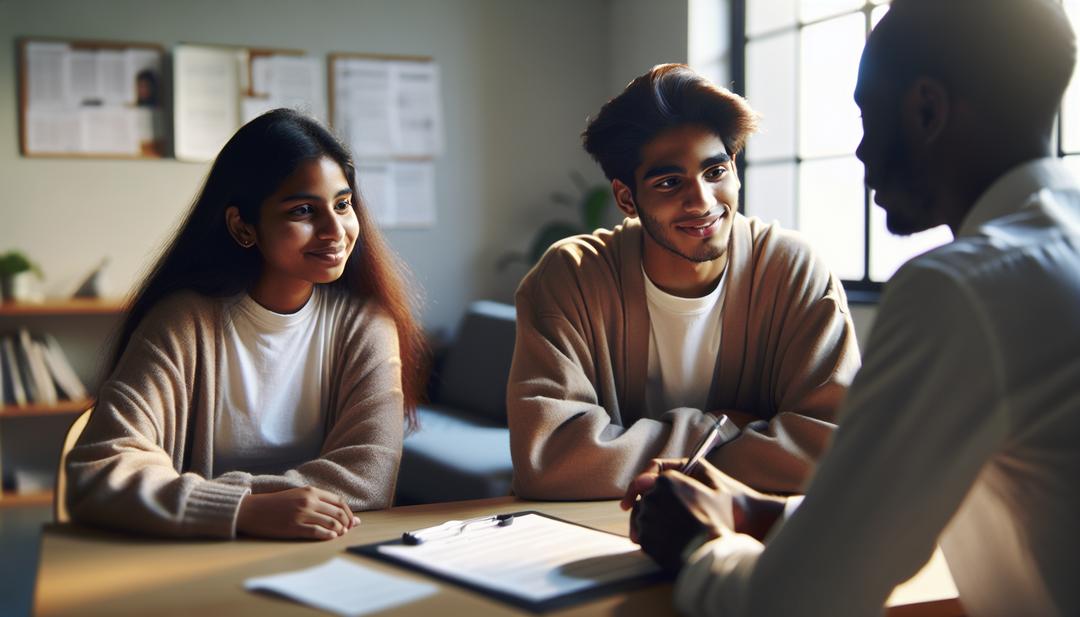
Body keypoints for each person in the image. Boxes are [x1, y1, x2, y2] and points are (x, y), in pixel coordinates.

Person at [626, 1, 1080, 615]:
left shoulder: (963, 291)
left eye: (870, 118)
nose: (863, 152)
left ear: (926, 110)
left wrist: (698, 545)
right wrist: (761, 512)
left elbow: (796, 603)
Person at [66, 109, 427, 541]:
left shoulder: (366, 326)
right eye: (304, 210)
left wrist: (203, 500)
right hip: (193, 555)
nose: (335, 230)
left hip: (320, 552)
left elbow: (367, 483)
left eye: (343, 204)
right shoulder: (183, 323)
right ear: (243, 226)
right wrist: (244, 510)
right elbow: (99, 470)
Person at [507, 64, 861, 500]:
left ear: (734, 167)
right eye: (670, 182)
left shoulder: (792, 269)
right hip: (592, 534)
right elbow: (550, 460)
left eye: (716, 173)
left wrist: (625, 455)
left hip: (746, 534)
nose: (703, 202)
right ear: (626, 198)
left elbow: (836, 446)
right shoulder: (571, 278)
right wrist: (725, 427)